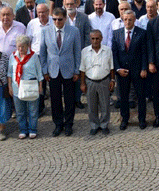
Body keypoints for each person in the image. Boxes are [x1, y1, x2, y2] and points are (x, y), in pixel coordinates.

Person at [41, 9, 82, 137]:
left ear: (65, 18)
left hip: (69, 70)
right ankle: (58, 124)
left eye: (59, 19)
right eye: (54, 19)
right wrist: (44, 70)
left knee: (69, 99)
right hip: (52, 70)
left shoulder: (74, 31)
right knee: (55, 99)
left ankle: (69, 124)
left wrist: (77, 70)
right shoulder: (45, 31)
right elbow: (43, 52)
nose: (57, 22)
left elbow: (77, 52)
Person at [112, 10, 151, 130]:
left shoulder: (142, 33)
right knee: (123, 97)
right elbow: (114, 53)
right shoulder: (116, 33)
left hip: (138, 70)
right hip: (122, 71)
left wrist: (144, 68)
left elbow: (144, 52)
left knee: (140, 96)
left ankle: (142, 119)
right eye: (125, 19)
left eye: (130, 19)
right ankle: (124, 119)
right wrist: (118, 69)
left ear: (134, 20)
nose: (127, 22)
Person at [80, 30, 115, 135]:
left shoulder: (107, 50)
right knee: (91, 106)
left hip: (104, 80)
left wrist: (112, 80)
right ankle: (94, 125)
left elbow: (111, 67)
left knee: (105, 105)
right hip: (90, 81)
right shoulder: (85, 51)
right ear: (90, 39)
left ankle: (104, 125)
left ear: (101, 38)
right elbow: (82, 69)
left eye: (97, 38)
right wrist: (82, 83)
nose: (95, 41)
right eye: (93, 39)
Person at [7, 35, 42, 139]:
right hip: (17, 87)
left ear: (28, 46)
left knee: (33, 110)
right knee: (20, 111)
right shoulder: (13, 56)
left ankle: (32, 129)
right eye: (18, 46)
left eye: (23, 46)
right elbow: (9, 73)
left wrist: (40, 86)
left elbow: (39, 72)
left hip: (31, 87)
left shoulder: (34, 56)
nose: (21, 49)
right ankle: (23, 129)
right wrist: (10, 87)